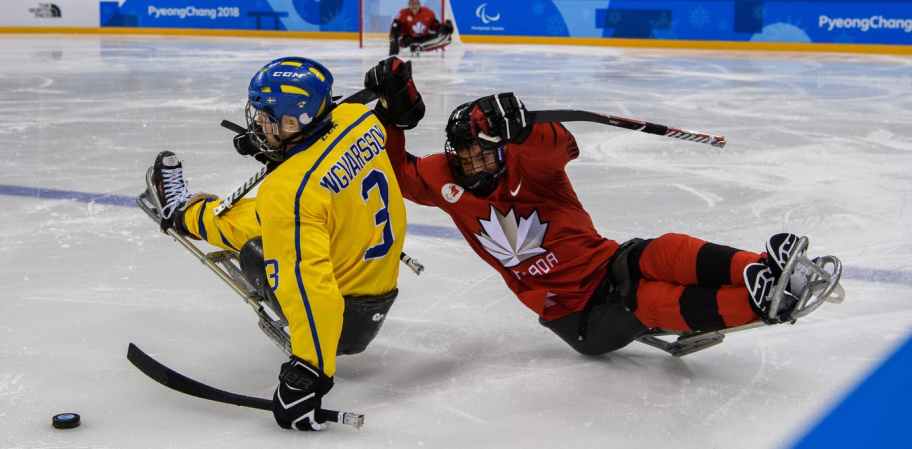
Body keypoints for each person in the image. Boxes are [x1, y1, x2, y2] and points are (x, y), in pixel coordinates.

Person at [363, 57, 840, 356]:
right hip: (574, 314)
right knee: (648, 299)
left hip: (606, 261)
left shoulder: (532, 165)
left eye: (484, 150)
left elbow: (564, 147)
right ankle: (758, 302)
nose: (472, 161)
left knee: (663, 251)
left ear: (505, 147)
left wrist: (526, 129)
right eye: (464, 153)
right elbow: (396, 170)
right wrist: (393, 113)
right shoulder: (441, 176)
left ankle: (765, 271)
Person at [142, 56, 424, 431]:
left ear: (295, 122)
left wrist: (310, 374)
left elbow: (311, 288)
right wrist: (280, 144)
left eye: (265, 117)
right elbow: (325, 151)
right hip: (374, 274)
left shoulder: (289, 193)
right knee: (273, 214)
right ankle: (194, 212)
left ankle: (181, 212)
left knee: (258, 228)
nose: (257, 122)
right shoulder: (357, 119)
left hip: (344, 317)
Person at [388, 0, 454, 56]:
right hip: (408, 39)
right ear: (408, 5)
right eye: (411, 4)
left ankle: (420, 47)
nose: (414, 6)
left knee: (448, 38)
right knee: (395, 37)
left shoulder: (428, 13)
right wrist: (393, 39)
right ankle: (416, 47)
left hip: (424, 38)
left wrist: (445, 27)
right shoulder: (402, 13)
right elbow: (395, 27)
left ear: (419, 4)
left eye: (416, 4)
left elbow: (435, 26)